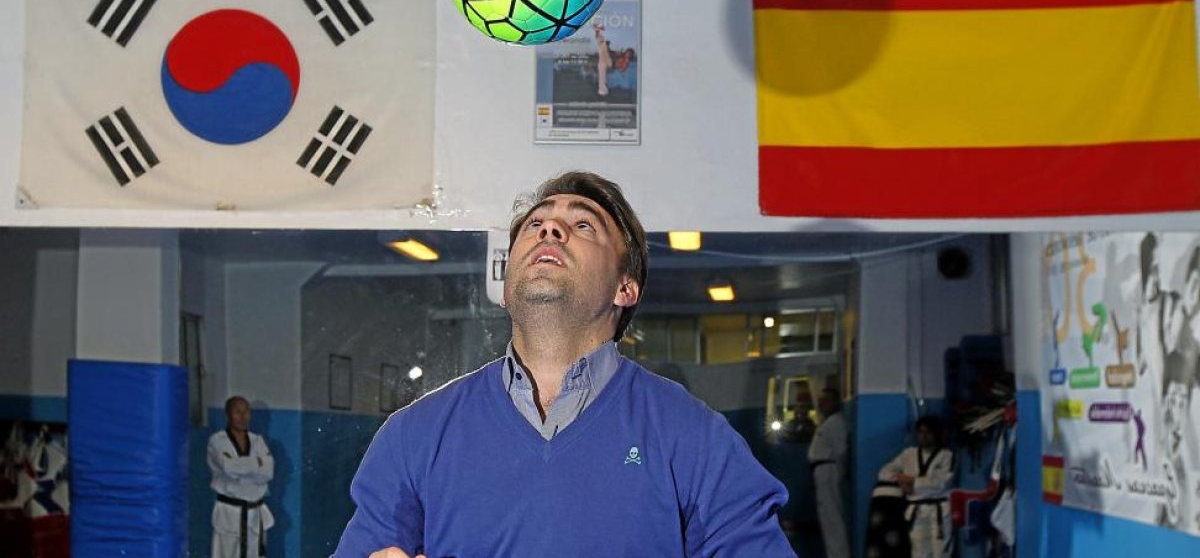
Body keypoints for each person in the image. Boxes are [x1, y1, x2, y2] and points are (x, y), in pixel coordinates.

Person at [333, 171, 794, 558]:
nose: (549, 230)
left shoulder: (694, 438)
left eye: (584, 226)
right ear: (508, 279)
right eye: (536, 223)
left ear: (625, 289)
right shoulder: (414, 434)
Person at [874, 416, 955, 558]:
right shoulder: (908, 454)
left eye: (928, 432)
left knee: (940, 552)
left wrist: (912, 481)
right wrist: (901, 481)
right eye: (920, 432)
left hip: (939, 510)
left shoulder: (947, 456)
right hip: (915, 509)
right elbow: (884, 472)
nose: (923, 436)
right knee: (918, 552)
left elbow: (941, 484)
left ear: (936, 434)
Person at [208, 396, 274, 558]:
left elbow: (268, 471)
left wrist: (241, 469)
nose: (243, 417)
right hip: (229, 512)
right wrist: (256, 463)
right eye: (237, 412)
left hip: (255, 512)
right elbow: (228, 467)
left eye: (246, 412)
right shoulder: (217, 441)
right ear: (227, 414)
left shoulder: (257, 440)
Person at [808, 388, 849, 558]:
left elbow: (841, 450)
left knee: (833, 519)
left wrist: (839, 472)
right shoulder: (826, 422)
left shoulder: (836, 421)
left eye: (825, 400)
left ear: (833, 402)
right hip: (821, 471)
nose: (820, 404)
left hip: (829, 469)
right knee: (827, 519)